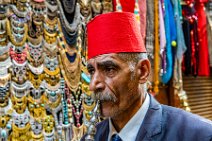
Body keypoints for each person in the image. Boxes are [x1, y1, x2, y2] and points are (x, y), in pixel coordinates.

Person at [81, 12, 212, 141]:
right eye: (92, 71)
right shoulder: (92, 137)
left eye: (109, 69)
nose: (93, 85)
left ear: (143, 71)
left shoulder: (199, 135)